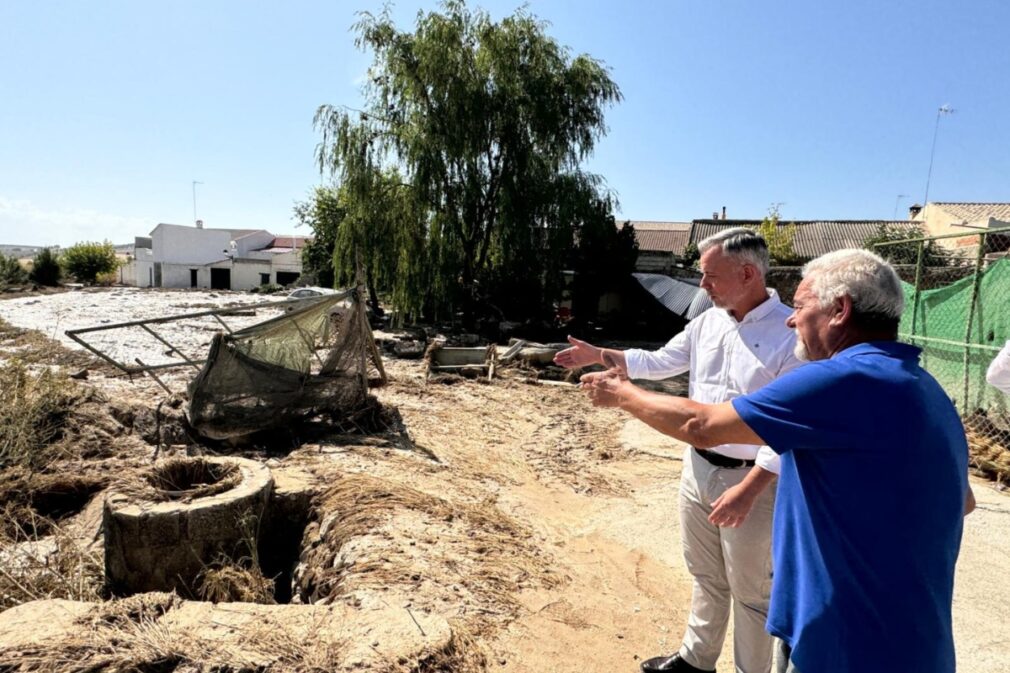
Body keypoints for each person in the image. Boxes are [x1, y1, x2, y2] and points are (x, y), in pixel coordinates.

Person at [581, 249, 973, 673]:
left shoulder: (842, 380)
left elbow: (702, 425)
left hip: (846, 641)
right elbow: (963, 499)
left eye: (802, 306)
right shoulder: (924, 387)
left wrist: (623, 394)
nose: (791, 319)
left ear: (839, 310)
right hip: (904, 637)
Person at [555, 228, 802, 673]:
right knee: (706, 574)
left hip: (753, 481)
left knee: (752, 593)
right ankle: (696, 660)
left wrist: (749, 488)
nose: (701, 285)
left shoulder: (791, 337)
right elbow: (660, 362)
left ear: (747, 274)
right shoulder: (709, 321)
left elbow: (789, 428)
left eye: (709, 276)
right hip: (699, 468)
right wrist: (601, 355)